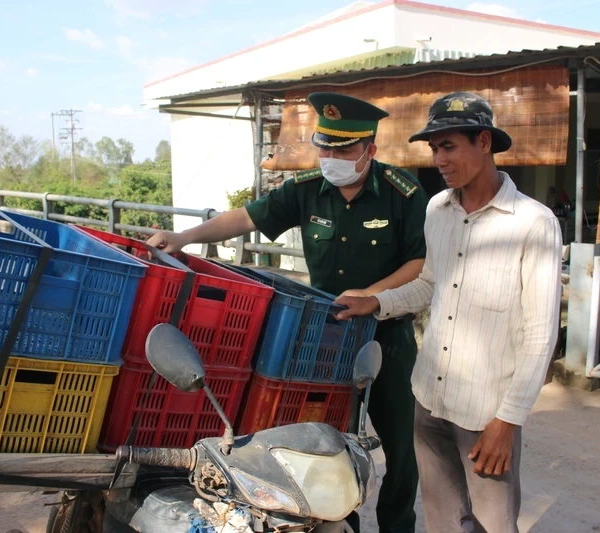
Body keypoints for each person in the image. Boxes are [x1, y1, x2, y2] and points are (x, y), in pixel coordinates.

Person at [146, 92, 427, 533]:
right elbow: (245, 219)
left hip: (385, 338)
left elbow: (419, 261)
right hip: (325, 337)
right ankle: (334, 523)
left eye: (343, 149)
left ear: (369, 150)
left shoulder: (402, 193)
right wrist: (184, 236)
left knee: (401, 450)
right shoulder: (306, 190)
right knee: (325, 442)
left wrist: (370, 296)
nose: (330, 157)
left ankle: (397, 528)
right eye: (324, 146)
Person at [334, 91, 563, 533]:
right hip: (430, 398)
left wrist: (507, 422)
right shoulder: (438, 208)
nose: (439, 159)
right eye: (434, 149)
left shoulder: (533, 222)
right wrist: (376, 301)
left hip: (486, 413)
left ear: (484, 142)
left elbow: (540, 333)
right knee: (442, 521)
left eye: (449, 146)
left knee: (493, 523)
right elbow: (429, 285)